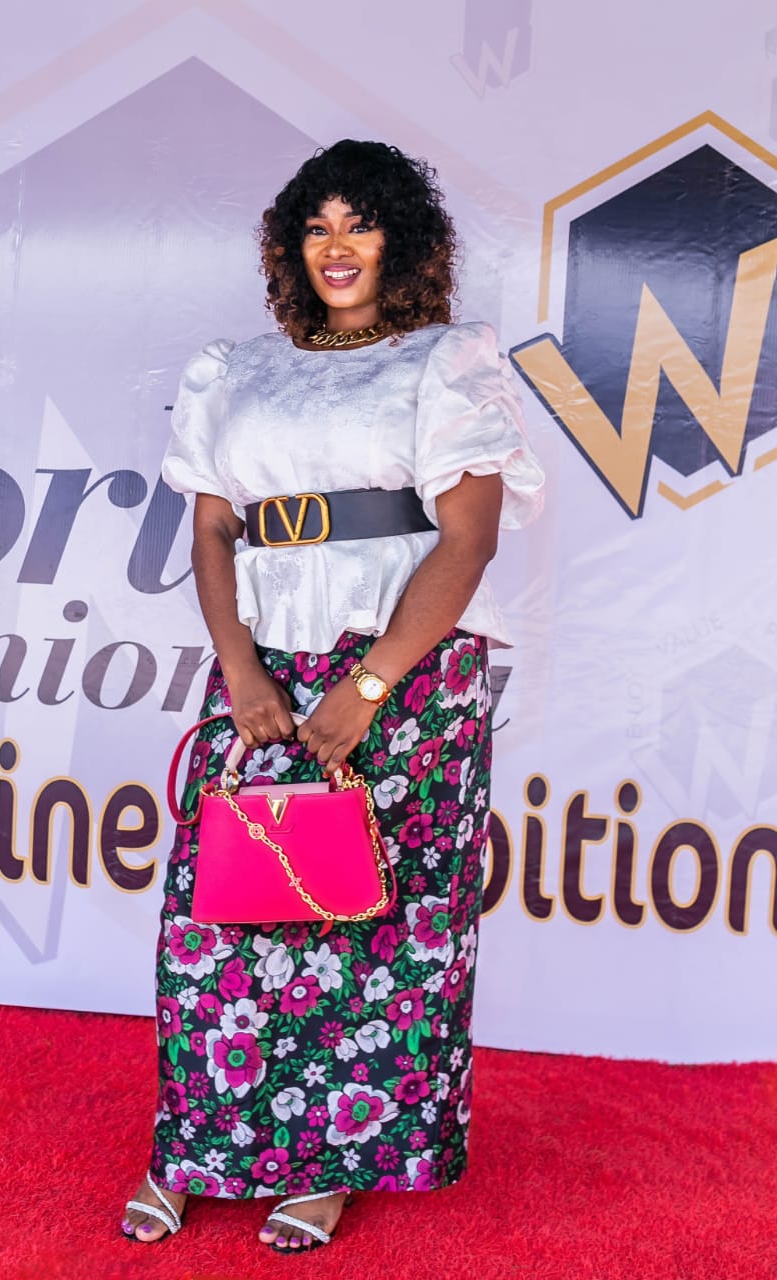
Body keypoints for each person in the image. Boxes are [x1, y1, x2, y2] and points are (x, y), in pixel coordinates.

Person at [122, 139, 544, 1253]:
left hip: (401, 674)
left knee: (368, 925)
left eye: (360, 223)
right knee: (220, 914)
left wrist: (368, 684)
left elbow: (467, 540)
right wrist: (241, 670)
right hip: (265, 672)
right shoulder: (235, 370)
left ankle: (329, 1162)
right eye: (317, 227)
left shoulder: (446, 361)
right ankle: (194, 1146)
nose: (338, 246)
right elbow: (213, 531)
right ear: (291, 247)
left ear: (403, 240)